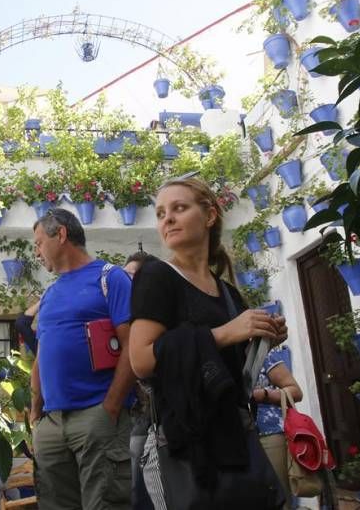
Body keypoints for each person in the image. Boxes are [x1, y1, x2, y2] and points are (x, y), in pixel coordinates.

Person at [129, 176, 288, 509]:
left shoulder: (228, 293)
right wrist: (225, 333)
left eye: (179, 208)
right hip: (182, 446)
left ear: (210, 215)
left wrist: (261, 340)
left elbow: (228, 369)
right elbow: (141, 360)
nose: (167, 219)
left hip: (233, 442)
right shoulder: (157, 276)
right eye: (160, 213)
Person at [30, 208, 135, 510]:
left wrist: (111, 407)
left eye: (38, 243)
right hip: (52, 422)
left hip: (97, 416)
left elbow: (132, 344)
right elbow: (41, 355)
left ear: (60, 234)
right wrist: (37, 415)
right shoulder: (49, 294)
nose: (36, 252)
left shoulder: (110, 277)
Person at [123, 251, 156, 510]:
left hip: (152, 417)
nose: (126, 282)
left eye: (131, 276)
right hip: (127, 418)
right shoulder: (121, 313)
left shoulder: (155, 315)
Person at [253, 346, 304, 510]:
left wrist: (264, 395)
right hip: (235, 438)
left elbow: (295, 391)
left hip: (269, 433)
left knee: (279, 499)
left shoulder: (262, 353)